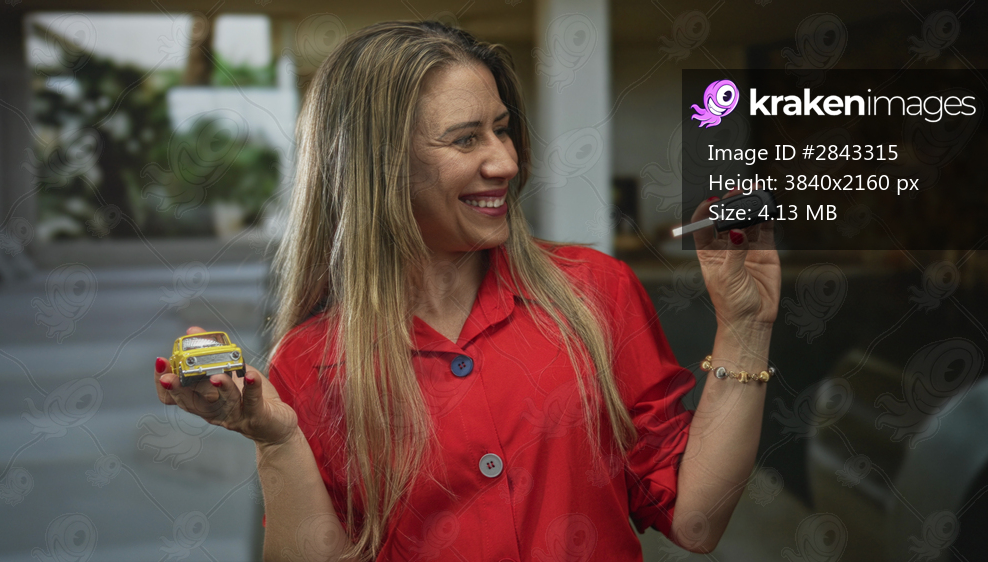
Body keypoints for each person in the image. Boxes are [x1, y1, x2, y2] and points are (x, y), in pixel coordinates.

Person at [153, 20, 780, 562]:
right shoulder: (312, 360)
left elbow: (696, 521)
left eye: (502, 130)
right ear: (380, 167)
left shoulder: (596, 292)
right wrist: (277, 440)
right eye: (466, 138)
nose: (505, 161)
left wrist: (745, 326)